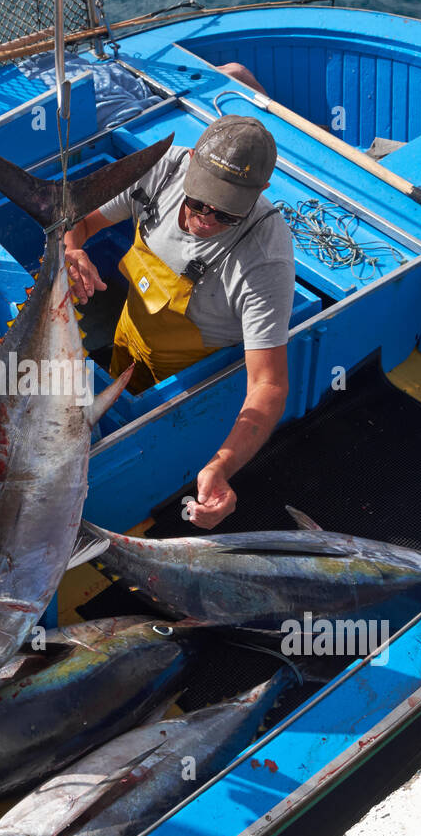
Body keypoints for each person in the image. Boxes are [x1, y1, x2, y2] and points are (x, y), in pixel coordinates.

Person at [65, 112, 295, 530]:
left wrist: (222, 467)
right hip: (128, 335)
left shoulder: (265, 260)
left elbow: (270, 384)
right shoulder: (161, 167)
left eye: (226, 214)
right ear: (190, 160)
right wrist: (73, 249)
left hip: (185, 378)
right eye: (199, 201)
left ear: (262, 191)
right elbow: (79, 221)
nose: (207, 219)